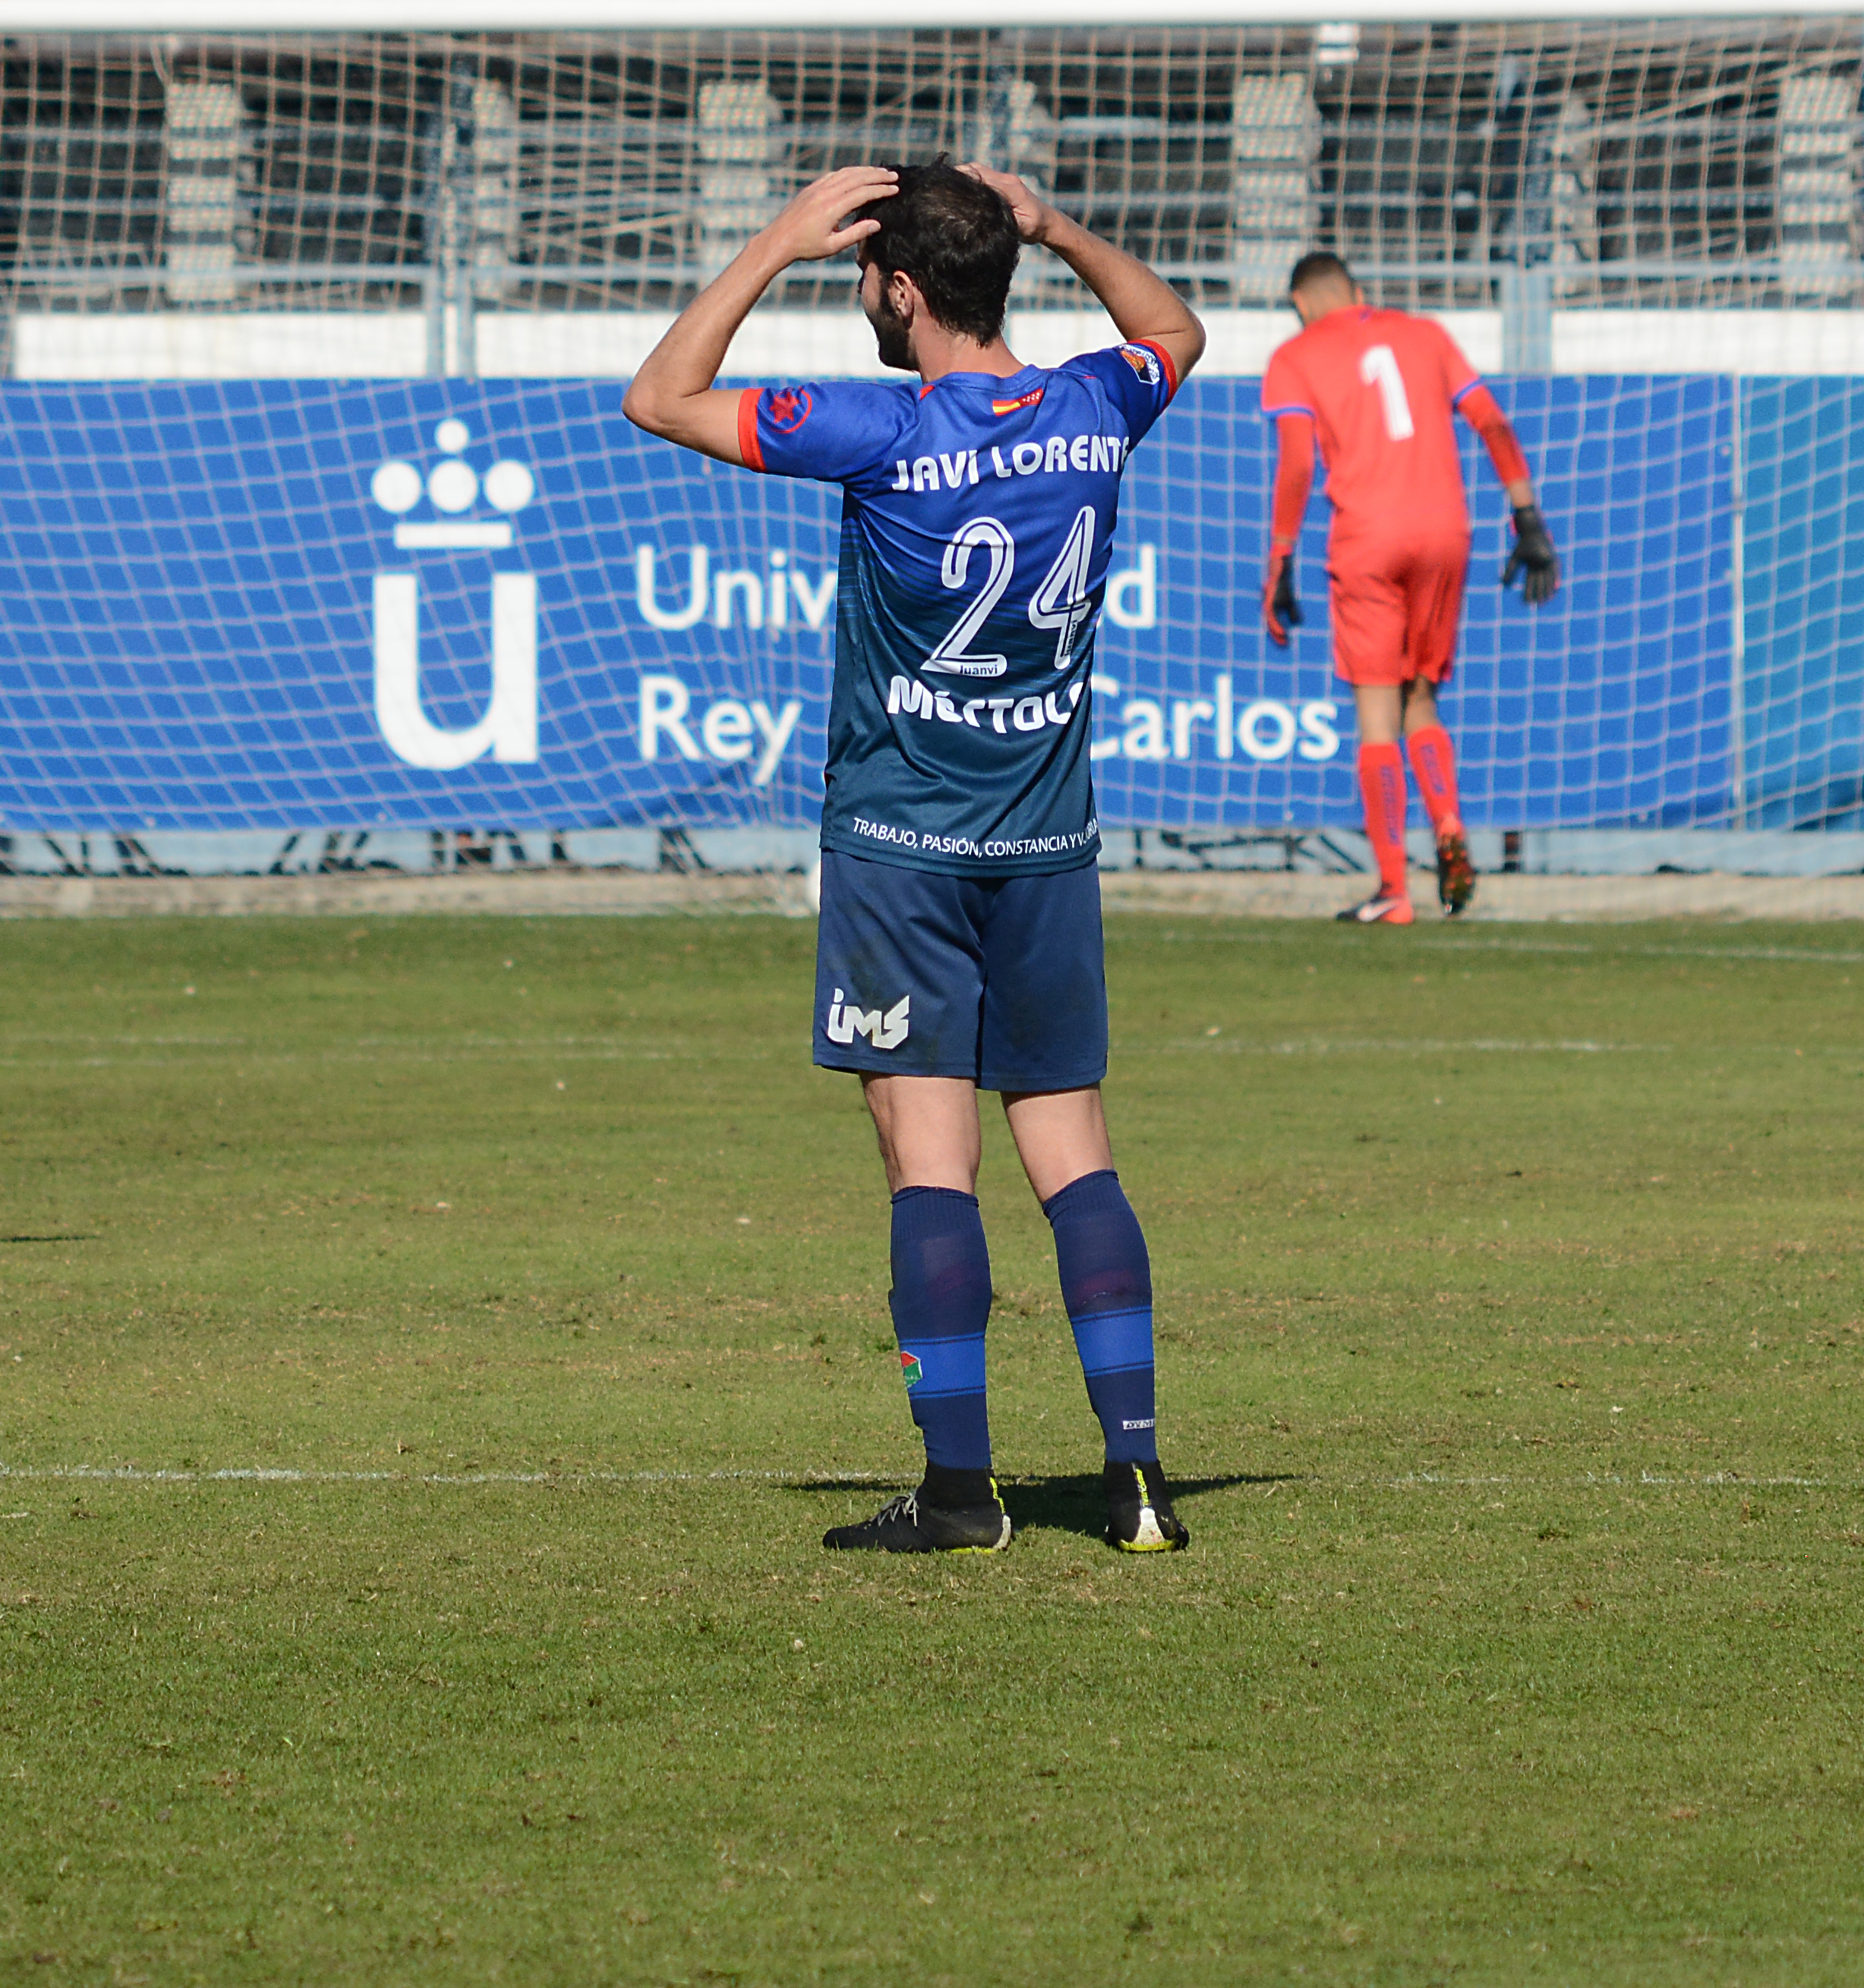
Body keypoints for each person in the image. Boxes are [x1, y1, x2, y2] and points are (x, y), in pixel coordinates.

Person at [625, 157, 1205, 1557]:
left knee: (928, 1165)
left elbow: (660, 396)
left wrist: (770, 241)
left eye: (860, 281)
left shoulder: (880, 428)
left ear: (899, 286)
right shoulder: (1090, 407)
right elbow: (1176, 334)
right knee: (1074, 1153)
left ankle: (960, 1492)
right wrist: (1060, 224)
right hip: (1048, 847)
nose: (859, 303)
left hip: (901, 850)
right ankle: (1134, 1482)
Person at [1254, 252, 1556, 924]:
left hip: (1368, 538)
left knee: (1376, 715)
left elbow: (1299, 462)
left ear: (1300, 303)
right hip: (1448, 531)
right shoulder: (1425, 334)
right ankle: (1449, 829)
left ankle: (1394, 889)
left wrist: (1280, 559)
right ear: (1359, 293)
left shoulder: (1297, 355)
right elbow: (1492, 423)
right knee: (1422, 695)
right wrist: (1527, 517)